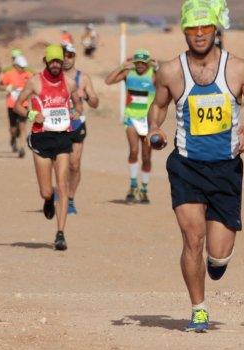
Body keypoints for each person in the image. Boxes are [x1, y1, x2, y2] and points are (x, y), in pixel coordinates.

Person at [148, 0, 244, 333]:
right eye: (192, 28)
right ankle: (198, 309)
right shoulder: (171, 70)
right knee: (192, 239)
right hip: (186, 166)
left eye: (205, 27)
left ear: (215, 28)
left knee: (217, 253)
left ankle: (215, 265)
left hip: (226, 168)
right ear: (184, 31)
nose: (199, 33)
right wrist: (154, 128)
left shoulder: (238, 68)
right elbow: (158, 107)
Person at [13, 44, 83, 251]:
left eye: (58, 61)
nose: (55, 65)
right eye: (52, 61)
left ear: (62, 63)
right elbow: (18, 105)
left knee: (62, 185)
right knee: (46, 190)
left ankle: (60, 234)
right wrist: (33, 115)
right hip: (41, 137)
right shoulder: (35, 82)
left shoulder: (69, 83)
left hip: (62, 137)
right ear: (45, 61)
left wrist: (76, 112)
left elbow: (78, 104)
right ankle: (47, 199)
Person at [105, 48, 158, 203]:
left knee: (146, 156)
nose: (140, 65)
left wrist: (158, 67)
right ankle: (133, 185)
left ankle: (144, 189)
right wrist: (122, 66)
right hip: (131, 119)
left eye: (143, 62)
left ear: (148, 63)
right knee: (133, 151)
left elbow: (168, 81)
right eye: (137, 63)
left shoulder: (153, 76)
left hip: (147, 121)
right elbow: (108, 81)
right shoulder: (129, 74)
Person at [61, 42, 99, 213]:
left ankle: (70, 198)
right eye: (63, 55)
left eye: (69, 55)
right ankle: (59, 192)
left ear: (74, 57)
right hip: (56, 126)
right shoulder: (52, 77)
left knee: (74, 165)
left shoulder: (83, 78)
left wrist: (88, 97)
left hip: (76, 125)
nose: (66, 59)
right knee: (59, 164)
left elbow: (95, 103)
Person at [0, 54, 33, 158]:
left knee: (23, 126)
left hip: (24, 105)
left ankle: (22, 148)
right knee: (14, 129)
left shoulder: (29, 75)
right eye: (21, 67)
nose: (23, 69)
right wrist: (7, 88)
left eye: (24, 67)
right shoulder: (9, 74)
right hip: (11, 105)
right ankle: (13, 139)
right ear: (15, 65)